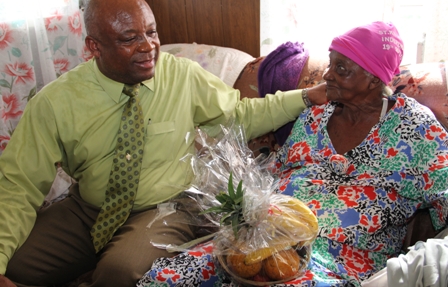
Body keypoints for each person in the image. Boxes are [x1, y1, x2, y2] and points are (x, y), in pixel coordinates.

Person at [0, 0, 326, 286]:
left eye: (151, 32)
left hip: (163, 209)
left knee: (120, 272)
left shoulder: (181, 75)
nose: (148, 47)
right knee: (12, 265)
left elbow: (240, 114)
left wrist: (305, 96)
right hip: (87, 209)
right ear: (94, 47)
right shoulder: (56, 101)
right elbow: (18, 184)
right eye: (129, 38)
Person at [138, 22, 448, 287]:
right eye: (330, 64)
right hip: (262, 241)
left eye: (342, 69)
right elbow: (272, 176)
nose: (328, 75)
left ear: (373, 78)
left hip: (335, 261)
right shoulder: (314, 118)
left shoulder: (417, 130)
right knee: (168, 276)